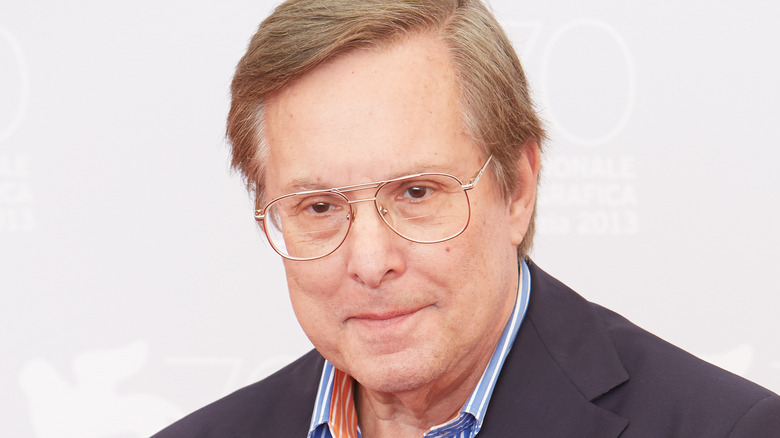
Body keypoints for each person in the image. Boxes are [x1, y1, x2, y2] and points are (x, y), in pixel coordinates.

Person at [153, 0, 780, 436]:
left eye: (418, 193)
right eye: (319, 206)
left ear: (519, 189)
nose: (370, 261)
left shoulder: (723, 429)